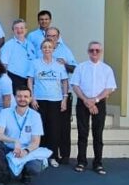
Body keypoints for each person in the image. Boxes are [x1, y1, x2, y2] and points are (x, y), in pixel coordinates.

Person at [0, 86, 52, 185]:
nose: (22, 99)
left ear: (30, 99)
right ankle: (5, 173)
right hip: (8, 148)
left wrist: (25, 151)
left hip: (26, 150)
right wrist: (14, 141)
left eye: (26, 96)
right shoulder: (5, 112)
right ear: (15, 97)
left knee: (35, 168)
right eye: (19, 96)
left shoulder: (35, 116)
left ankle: (26, 174)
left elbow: (35, 142)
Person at [71, 41, 117, 175]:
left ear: (101, 52)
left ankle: (98, 163)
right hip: (82, 102)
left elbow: (109, 88)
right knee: (82, 133)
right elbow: (75, 85)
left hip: (99, 103)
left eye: (97, 50)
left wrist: (94, 101)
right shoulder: (81, 67)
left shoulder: (107, 69)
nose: (94, 53)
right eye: (92, 50)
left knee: (98, 134)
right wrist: (86, 101)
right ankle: (81, 162)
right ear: (88, 51)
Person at [29, 39, 70, 167]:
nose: (47, 49)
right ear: (41, 49)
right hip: (39, 100)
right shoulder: (35, 63)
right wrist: (32, 98)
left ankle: (52, 156)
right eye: (44, 47)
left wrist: (64, 99)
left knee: (54, 129)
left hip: (55, 100)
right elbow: (30, 80)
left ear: (53, 49)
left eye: (49, 47)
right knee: (40, 128)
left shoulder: (59, 64)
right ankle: (40, 156)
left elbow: (64, 82)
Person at [46, 26, 78, 164]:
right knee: (49, 126)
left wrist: (65, 65)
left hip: (64, 94)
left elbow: (75, 69)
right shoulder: (42, 49)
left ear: (58, 37)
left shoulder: (65, 50)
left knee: (64, 126)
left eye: (54, 36)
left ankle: (65, 155)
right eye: (49, 35)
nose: (51, 38)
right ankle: (50, 154)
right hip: (47, 96)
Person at [0, 19, 34, 91]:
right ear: (13, 31)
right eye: (16, 28)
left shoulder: (30, 45)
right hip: (14, 78)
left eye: (22, 28)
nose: (19, 30)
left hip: (29, 80)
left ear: (26, 30)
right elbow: (3, 65)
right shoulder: (8, 45)